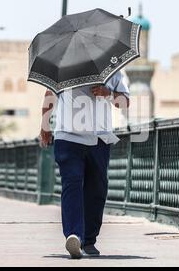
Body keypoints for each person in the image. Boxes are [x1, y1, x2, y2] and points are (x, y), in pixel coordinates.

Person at [39, 71, 130, 259]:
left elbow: (125, 101)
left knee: (97, 189)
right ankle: (74, 236)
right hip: (68, 136)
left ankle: (89, 240)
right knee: (72, 184)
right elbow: (49, 95)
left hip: (100, 137)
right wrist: (45, 126)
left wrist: (108, 93)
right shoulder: (63, 65)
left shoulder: (111, 67)